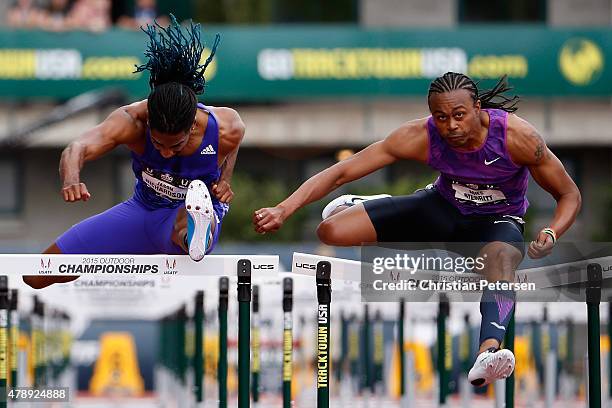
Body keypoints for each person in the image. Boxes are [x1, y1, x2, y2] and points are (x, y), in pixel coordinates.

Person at [253, 72, 581, 387]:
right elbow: (342, 172)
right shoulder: (421, 136)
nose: (450, 126)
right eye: (440, 117)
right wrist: (284, 208)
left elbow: (569, 194)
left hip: (495, 225)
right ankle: (377, 203)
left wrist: (553, 231)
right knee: (331, 232)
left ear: (478, 108)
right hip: (441, 210)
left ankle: (488, 352)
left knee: (502, 261)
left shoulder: (517, 139)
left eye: (459, 115)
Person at [24, 17, 244, 289]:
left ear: (192, 126)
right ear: (148, 122)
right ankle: (192, 231)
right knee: (37, 275)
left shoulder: (225, 127)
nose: (164, 153)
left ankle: (199, 229)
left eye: (175, 146)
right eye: (157, 143)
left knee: (183, 227)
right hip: (141, 210)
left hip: (183, 215)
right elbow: (77, 147)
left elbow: (234, 143)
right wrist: (71, 178)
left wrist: (225, 180)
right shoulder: (131, 120)